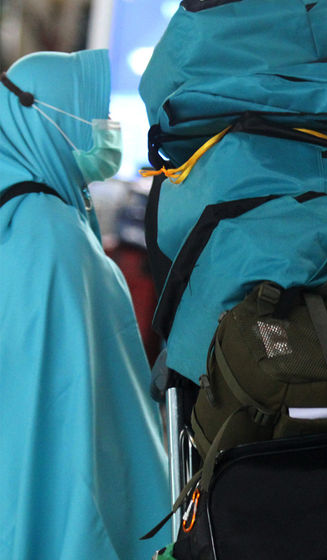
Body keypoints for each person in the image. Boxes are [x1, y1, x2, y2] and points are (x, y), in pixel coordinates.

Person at [0, 50, 169, 559]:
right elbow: (74, 413)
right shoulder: (51, 232)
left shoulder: (21, 214)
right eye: (92, 116)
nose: (107, 131)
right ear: (44, 115)